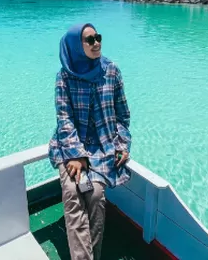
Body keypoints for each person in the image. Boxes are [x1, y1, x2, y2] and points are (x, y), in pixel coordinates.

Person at [48, 23, 132, 260]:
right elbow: (64, 118)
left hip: (103, 147)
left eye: (98, 38)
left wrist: (122, 144)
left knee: (95, 196)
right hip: (70, 146)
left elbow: (123, 115)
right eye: (90, 40)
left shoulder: (111, 71)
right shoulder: (64, 76)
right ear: (76, 45)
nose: (97, 43)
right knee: (73, 194)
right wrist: (75, 153)